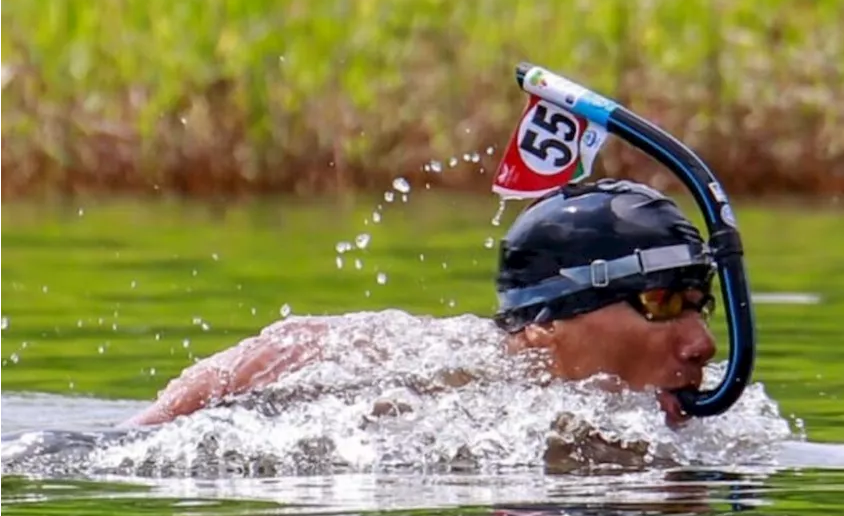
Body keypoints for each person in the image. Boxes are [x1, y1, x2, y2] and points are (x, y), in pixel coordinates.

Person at [122, 179, 720, 429]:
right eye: (662, 303)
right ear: (547, 324)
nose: (702, 344)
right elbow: (297, 341)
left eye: (700, 307)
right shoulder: (449, 385)